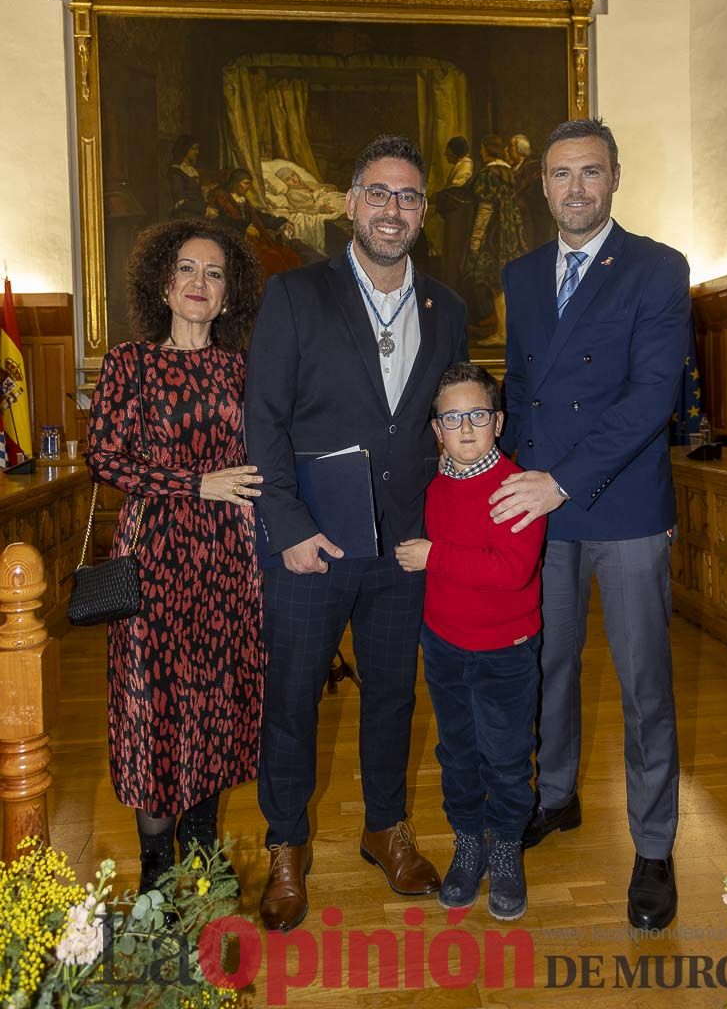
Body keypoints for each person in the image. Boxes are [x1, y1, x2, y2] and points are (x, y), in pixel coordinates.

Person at [244, 133, 468, 933]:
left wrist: (450, 526)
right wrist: (288, 525)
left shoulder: (448, 306)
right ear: (349, 204)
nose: (393, 209)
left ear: (422, 211)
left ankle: (385, 826)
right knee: (292, 700)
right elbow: (263, 418)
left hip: (403, 547)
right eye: (379, 193)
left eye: (409, 196)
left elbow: (453, 425)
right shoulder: (296, 295)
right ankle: (287, 845)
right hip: (311, 546)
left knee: (394, 697)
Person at [493, 117, 691, 932]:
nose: (575, 187)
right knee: (549, 666)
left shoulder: (658, 267)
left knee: (644, 684)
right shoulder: (521, 273)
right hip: (543, 505)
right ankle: (558, 794)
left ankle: (653, 845)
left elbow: (652, 399)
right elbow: (523, 388)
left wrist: (558, 485)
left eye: (591, 173)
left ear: (616, 178)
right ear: (542, 185)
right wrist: (490, 472)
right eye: (561, 174)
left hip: (624, 507)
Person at [85, 219, 265, 893]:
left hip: (226, 559)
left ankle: (203, 852)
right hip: (153, 556)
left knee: (214, 703)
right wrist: (195, 483)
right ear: (163, 284)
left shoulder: (242, 368)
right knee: (153, 708)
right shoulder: (129, 362)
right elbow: (103, 455)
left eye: (214, 274)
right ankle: (156, 874)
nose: (199, 283)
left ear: (228, 296)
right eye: (187, 270)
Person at [396, 363, 545, 921]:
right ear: (436, 428)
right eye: (451, 417)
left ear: (498, 421)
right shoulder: (433, 488)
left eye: (477, 415)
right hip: (443, 646)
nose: (464, 427)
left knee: (506, 757)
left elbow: (510, 571)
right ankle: (469, 840)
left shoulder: (518, 486)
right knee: (456, 752)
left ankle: (505, 845)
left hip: (505, 649)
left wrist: (435, 556)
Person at [464, 134, 527, 347]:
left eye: (482, 150)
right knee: (506, 283)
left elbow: (485, 210)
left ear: (486, 150)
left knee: (497, 284)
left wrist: (475, 240)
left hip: (495, 234)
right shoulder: (508, 171)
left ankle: (503, 334)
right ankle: (508, 332)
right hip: (511, 231)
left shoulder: (489, 173)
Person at [435, 136, 475, 295]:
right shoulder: (460, 165)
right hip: (455, 219)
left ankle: (453, 292)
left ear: (455, 152)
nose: (445, 154)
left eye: (448, 150)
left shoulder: (465, 167)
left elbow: (455, 193)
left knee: (455, 255)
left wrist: (436, 197)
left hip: (459, 220)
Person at [508, 133, 556, 252]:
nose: (508, 150)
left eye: (511, 147)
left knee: (538, 241)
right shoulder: (513, 167)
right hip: (524, 212)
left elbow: (530, 189)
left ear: (520, 149)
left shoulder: (532, 166)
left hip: (536, 211)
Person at [167, 136, 206, 218]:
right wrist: (204, 209)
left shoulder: (193, 171)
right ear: (185, 149)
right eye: (194, 149)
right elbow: (180, 202)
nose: (197, 152)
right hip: (184, 216)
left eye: (197, 149)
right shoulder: (176, 172)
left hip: (197, 214)